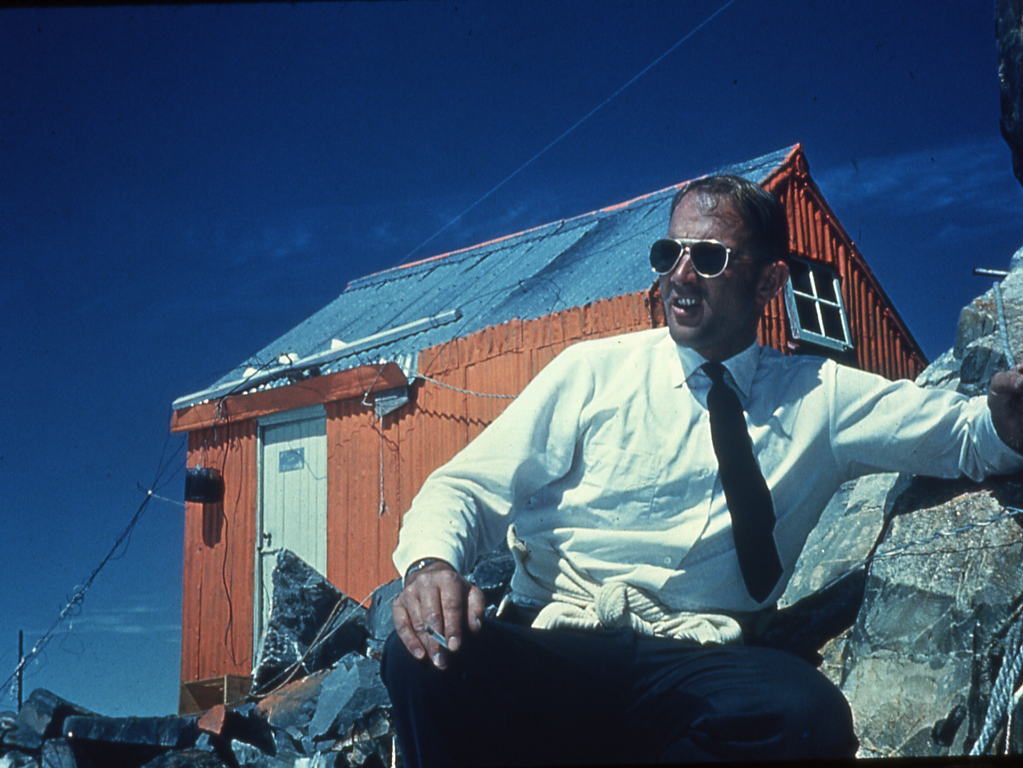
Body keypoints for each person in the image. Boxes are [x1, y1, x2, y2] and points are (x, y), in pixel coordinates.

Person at [380, 175, 1023, 766]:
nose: (681, 275)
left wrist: (1007, 423)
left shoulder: (821, 396)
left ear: (769, 283)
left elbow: (962, 435)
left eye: (709, 258)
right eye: (669, 254)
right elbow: (465, 486)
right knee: (421, 658)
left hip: (698, 661)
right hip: (558, 640)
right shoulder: (592, 372)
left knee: (807, 715)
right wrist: (432, 567)